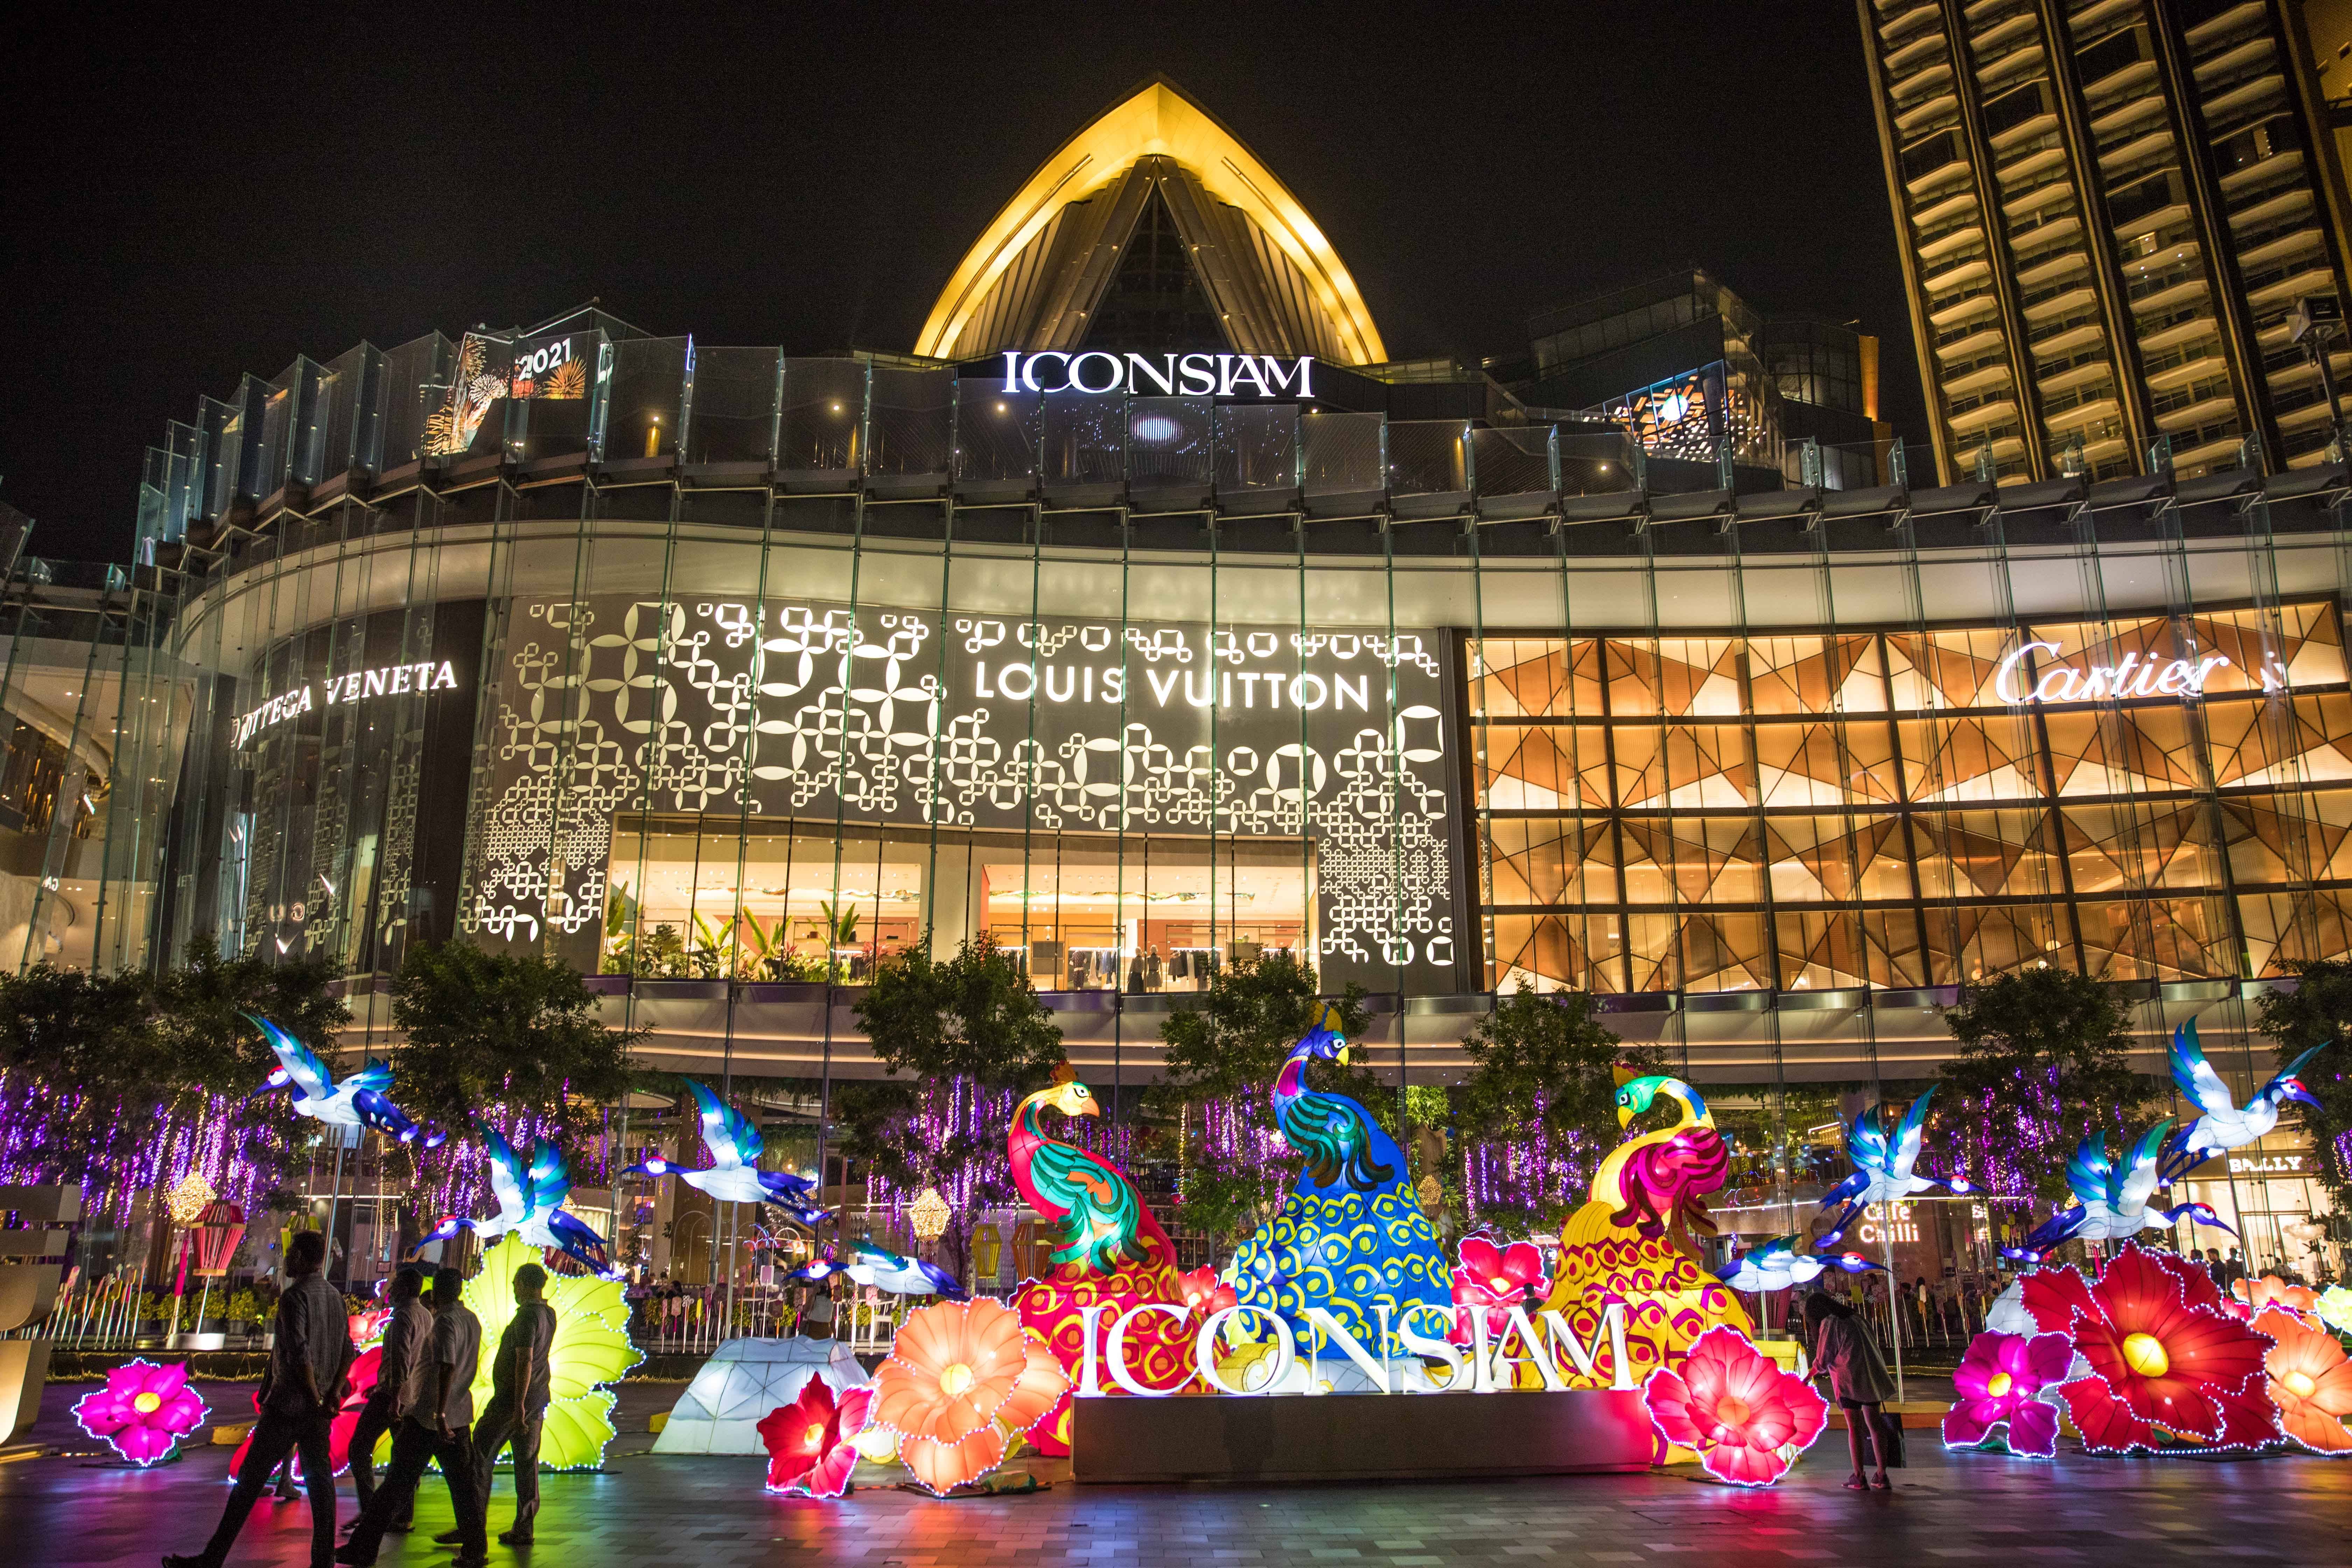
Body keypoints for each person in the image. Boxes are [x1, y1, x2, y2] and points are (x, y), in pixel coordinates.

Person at [166, 1229, 352, 1568]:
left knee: (249, 1485)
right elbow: (346, 1351)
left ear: (303, 1258)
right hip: (319, 1407)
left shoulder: (295, 1298)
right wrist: (331, 1396)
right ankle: (322, 1560)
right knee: (321, 1484)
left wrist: (313, 1397)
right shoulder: (335, 1298)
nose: (287, 1260)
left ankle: (213, 1558)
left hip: (289, 1405)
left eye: (292, 1253)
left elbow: (300, 1354)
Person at [334, 1267, 484, 1568]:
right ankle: (475, 1549)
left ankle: (363, 1549)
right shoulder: (471, 1319)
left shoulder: (445, 1321)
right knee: (463, 1487)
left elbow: (446, 1367)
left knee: (395, 1484)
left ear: (439, 1290)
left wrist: (438, 1413)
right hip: (458, 1415)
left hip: (431, 1416)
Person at [460, 1262, 558, 1547]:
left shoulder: (528, 1316)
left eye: (516, 1283)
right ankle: (524, 1527)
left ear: (526, 1285)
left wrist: (518, 1407)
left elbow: (525, 1359)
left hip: (511, 1402)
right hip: (537, 1398)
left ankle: (472, 1523)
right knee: (527, 1464)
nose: (514, 1289)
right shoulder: (548, 1314)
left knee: (479, 1452)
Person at [344, 1268, 428, 1537]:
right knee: (403, 1458)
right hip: (412, 1395)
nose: (389, 1292)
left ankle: (372, 1510)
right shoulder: (426, 1316)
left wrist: (392, 1399)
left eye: (394, 1286)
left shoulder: (403, 1317)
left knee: (359, 1448)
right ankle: (402, 1515)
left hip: (394, 1396)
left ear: (404, 1289)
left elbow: (401, 1361)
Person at [1805, 1288, 1900, 1492]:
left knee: (1854, 1428)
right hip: (1871, 1377)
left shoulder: (1830, 1323)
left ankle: (1859, 1476)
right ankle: (1882, 1475)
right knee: (1875, 1426)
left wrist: (1808, 1375)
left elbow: (1824, 1359)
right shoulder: (1857, 1319)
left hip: (1850, 1379)